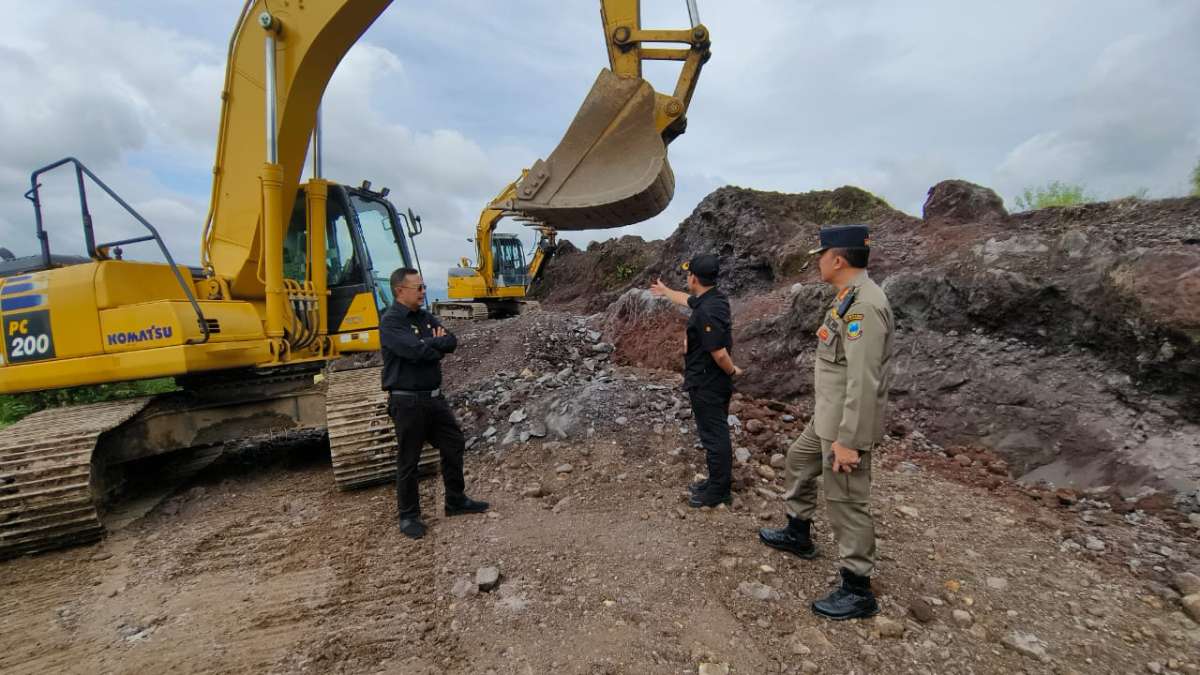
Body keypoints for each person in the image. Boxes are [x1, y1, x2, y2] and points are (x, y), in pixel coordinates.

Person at [758, 225, 893, 620]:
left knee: (846, 501)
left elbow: (864, 381)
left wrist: (849, 440)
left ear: (838, 259)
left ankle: (857, 588)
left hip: (844, 428)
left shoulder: (866, 306)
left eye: (821, 254)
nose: (817, 261)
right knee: (798, 462)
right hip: (827, 418)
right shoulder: (848, 297)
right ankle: (798, 533)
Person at [380, 268, 488, 539]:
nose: (423, 291)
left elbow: (451, 341)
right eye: (418, 287)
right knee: (409, 460)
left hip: (434, 399)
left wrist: (431, 344)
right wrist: (433, 343)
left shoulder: (425, 316)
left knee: (454, 443)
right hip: (407, 402)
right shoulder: (391, 321)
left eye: (424, 286)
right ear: (399, 291)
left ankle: (455, 500)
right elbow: (413, 351)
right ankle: (408, 516)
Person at [649, 254, 744, 508]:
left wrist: (733, 371)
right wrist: (665, 290)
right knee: (713, 433)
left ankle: (719, 491)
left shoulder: (708, 311)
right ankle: (715, 482)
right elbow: (687, 300)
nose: (686, 278)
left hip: (708, 384)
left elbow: (719, 353)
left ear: (693, 277)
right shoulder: (714, 299)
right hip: (709, 382)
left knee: (715, 436)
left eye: (688, 274)